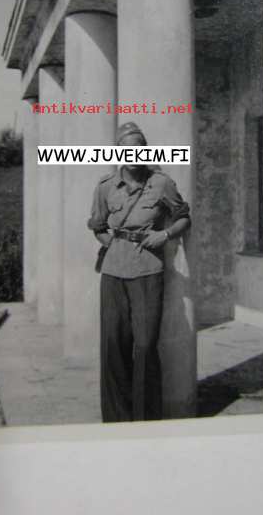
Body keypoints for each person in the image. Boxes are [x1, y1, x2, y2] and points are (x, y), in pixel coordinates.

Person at [87, 122, 191, 422]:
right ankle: (117, 420)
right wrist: (115, 244)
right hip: (113, 273)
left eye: (138, 149)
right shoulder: (105, 187)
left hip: (148, 271)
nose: (133, 155)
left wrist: (165, 235)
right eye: (126, 150)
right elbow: (97, 225)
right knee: (113, 346)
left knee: (145, 346)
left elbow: (184, 217)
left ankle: (146, 420)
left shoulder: (161, 183)